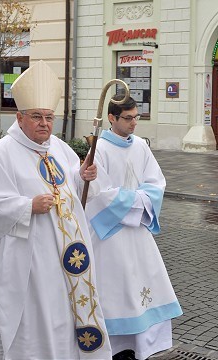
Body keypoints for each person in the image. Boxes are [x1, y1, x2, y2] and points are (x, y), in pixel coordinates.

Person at [0, 60, 112, 359]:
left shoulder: (58, 146)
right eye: (37, 116)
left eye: (49, 117)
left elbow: (69, 183)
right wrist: (25, 206)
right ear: (20, 118)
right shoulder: (2, 153)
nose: (45, 123)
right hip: (30, 256)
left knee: (68, 308)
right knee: (39, 312)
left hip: (70, 255)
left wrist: (81, 175)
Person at [85, 95, 183, 360]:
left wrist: (140, 200)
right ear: (112, 118)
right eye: (127, 118)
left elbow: (155, 182)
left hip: (137, 230)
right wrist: (137, 201)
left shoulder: (140, 146)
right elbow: (97, 193)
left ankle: (144, 344)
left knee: (145, 284)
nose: (133, 123)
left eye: (136, 117)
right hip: (111, 235)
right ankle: (114, 346)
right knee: (116, 289)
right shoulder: (99, 148)